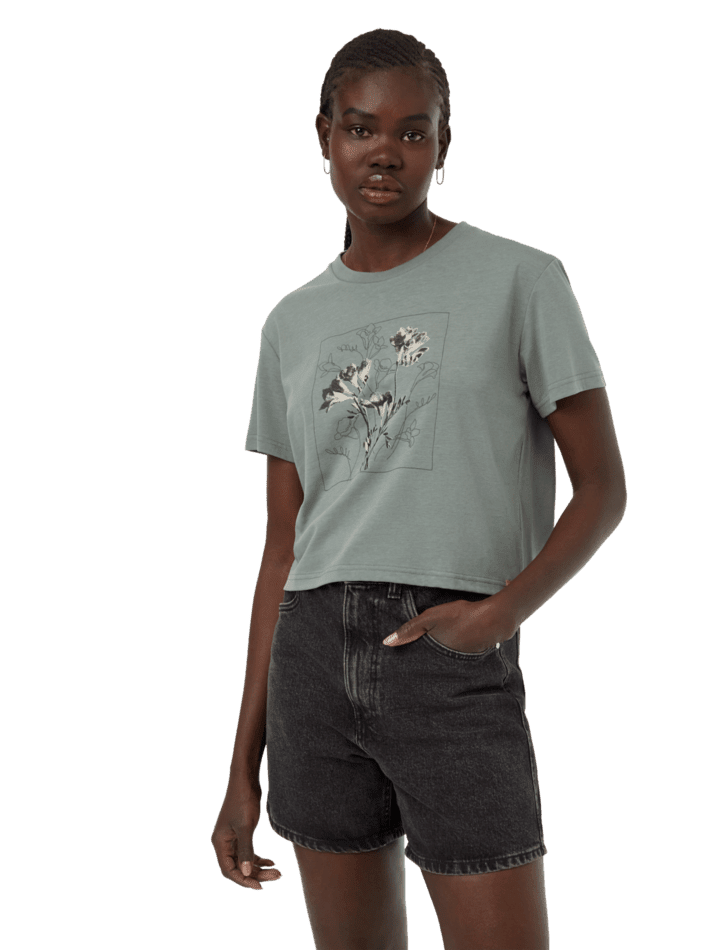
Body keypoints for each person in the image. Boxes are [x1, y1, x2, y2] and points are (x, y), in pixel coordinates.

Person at [211, 27, 627, 950]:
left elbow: (603, 486)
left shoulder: (522, 279)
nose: (385, 153)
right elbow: (281, 548)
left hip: (449, 657)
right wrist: (242, 765)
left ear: (445, 145)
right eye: (361, 128)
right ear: (324, 136)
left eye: (413, 131)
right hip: (311, 664)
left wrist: (497, 616)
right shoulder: (290, 323)